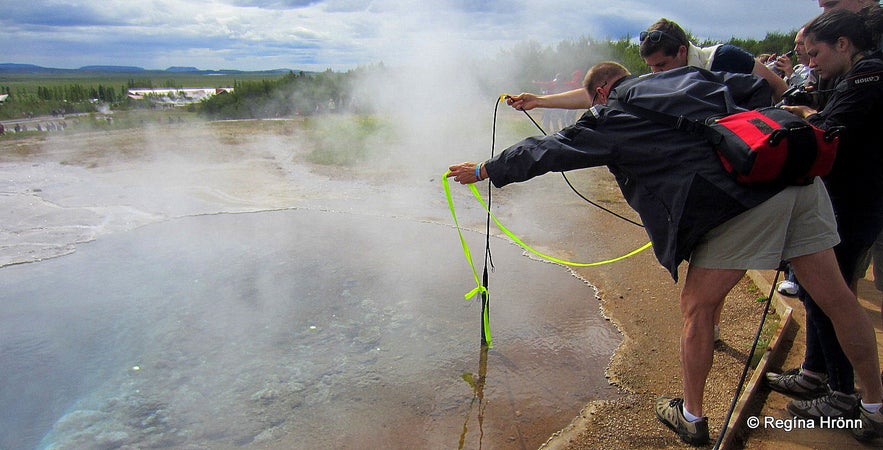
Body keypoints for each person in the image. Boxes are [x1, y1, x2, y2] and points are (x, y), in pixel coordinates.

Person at [447, 61, 883, 446]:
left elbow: (551, 150)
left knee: (697, 309)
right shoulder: (683, 76)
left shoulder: (613, 114)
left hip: (738, 199)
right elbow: (755, 89)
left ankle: (691, 416)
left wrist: (486, 169)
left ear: (599, 93)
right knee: (838, 299)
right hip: (795, 176)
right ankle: (875, 407)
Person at [764, 9, 883, 437]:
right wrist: (811, 105)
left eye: (815, 54)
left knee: (831, 295)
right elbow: (833, 107)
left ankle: (843, 395)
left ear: (844, 45)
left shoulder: (870, 75)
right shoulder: (855, 75)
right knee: (821, 294)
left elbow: (834, 129)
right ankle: (816, 372)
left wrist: (803, 116)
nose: (810, 63)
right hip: (846, 199)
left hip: (854, 204)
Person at [506, 18, 787, 113]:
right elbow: (600, 92)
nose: (656, 74)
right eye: (651, 67)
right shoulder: (662, 77)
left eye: (662, 65)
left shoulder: (725, 58)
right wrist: (539, 101)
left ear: (682, 50)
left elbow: (779, 89)